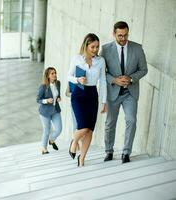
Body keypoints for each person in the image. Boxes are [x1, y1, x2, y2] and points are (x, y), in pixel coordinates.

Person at [101, 21, 148, 163]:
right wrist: (114, 80)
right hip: (113, 93)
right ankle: (109, 151)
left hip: (130, 93)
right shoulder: (105, 49)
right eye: (120, 35)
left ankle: (126, 153)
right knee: (110, 123)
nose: (123, 38)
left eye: (125, 35)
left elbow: (144, 69)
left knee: (131, 121)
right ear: (113, 33)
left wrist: (131, 78)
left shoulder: (137, 48)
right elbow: (103, 72)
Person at [68, 33, 107, 166]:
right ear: (86, 46)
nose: (95, 50)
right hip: (79, 94)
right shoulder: (77, 59)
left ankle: (82, 158)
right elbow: (69, 76)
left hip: (92, 95)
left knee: (90, 129)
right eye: (92, 47)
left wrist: (104, 101)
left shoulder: (100, 61)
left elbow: (103, 81)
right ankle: (74, 142)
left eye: (97, 47)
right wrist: (77, 79)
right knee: (83, 128)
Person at [37, 67, 62, 154]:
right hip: (45, 112)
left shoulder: (58, 83)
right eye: (52, 73)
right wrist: (46, 100)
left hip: (55, 110)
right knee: (46, 131)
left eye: (55, 73)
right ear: (47, 76)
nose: (54, 74)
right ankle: (44, 149)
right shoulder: (43, 87)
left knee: (59, 129)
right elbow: (38, 100)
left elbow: (58, 95)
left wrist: (58, 98)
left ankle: (51, 139)